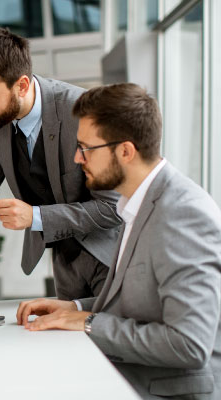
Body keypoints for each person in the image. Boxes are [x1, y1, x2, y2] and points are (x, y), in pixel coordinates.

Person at [17, 83, 221, 399]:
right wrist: (72, 308)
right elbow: (142, 303)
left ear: (125, 151)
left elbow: (188, 344)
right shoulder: (137, 204)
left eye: (85, 147)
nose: (76, 158)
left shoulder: (181, 214)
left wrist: (89, 322)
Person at [0, 28, 122, 310]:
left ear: (21, 85)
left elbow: (112, 207)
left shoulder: (83, 111)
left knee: (112, 349)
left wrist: (34, 216)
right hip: (64, 263)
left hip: (113, 257)